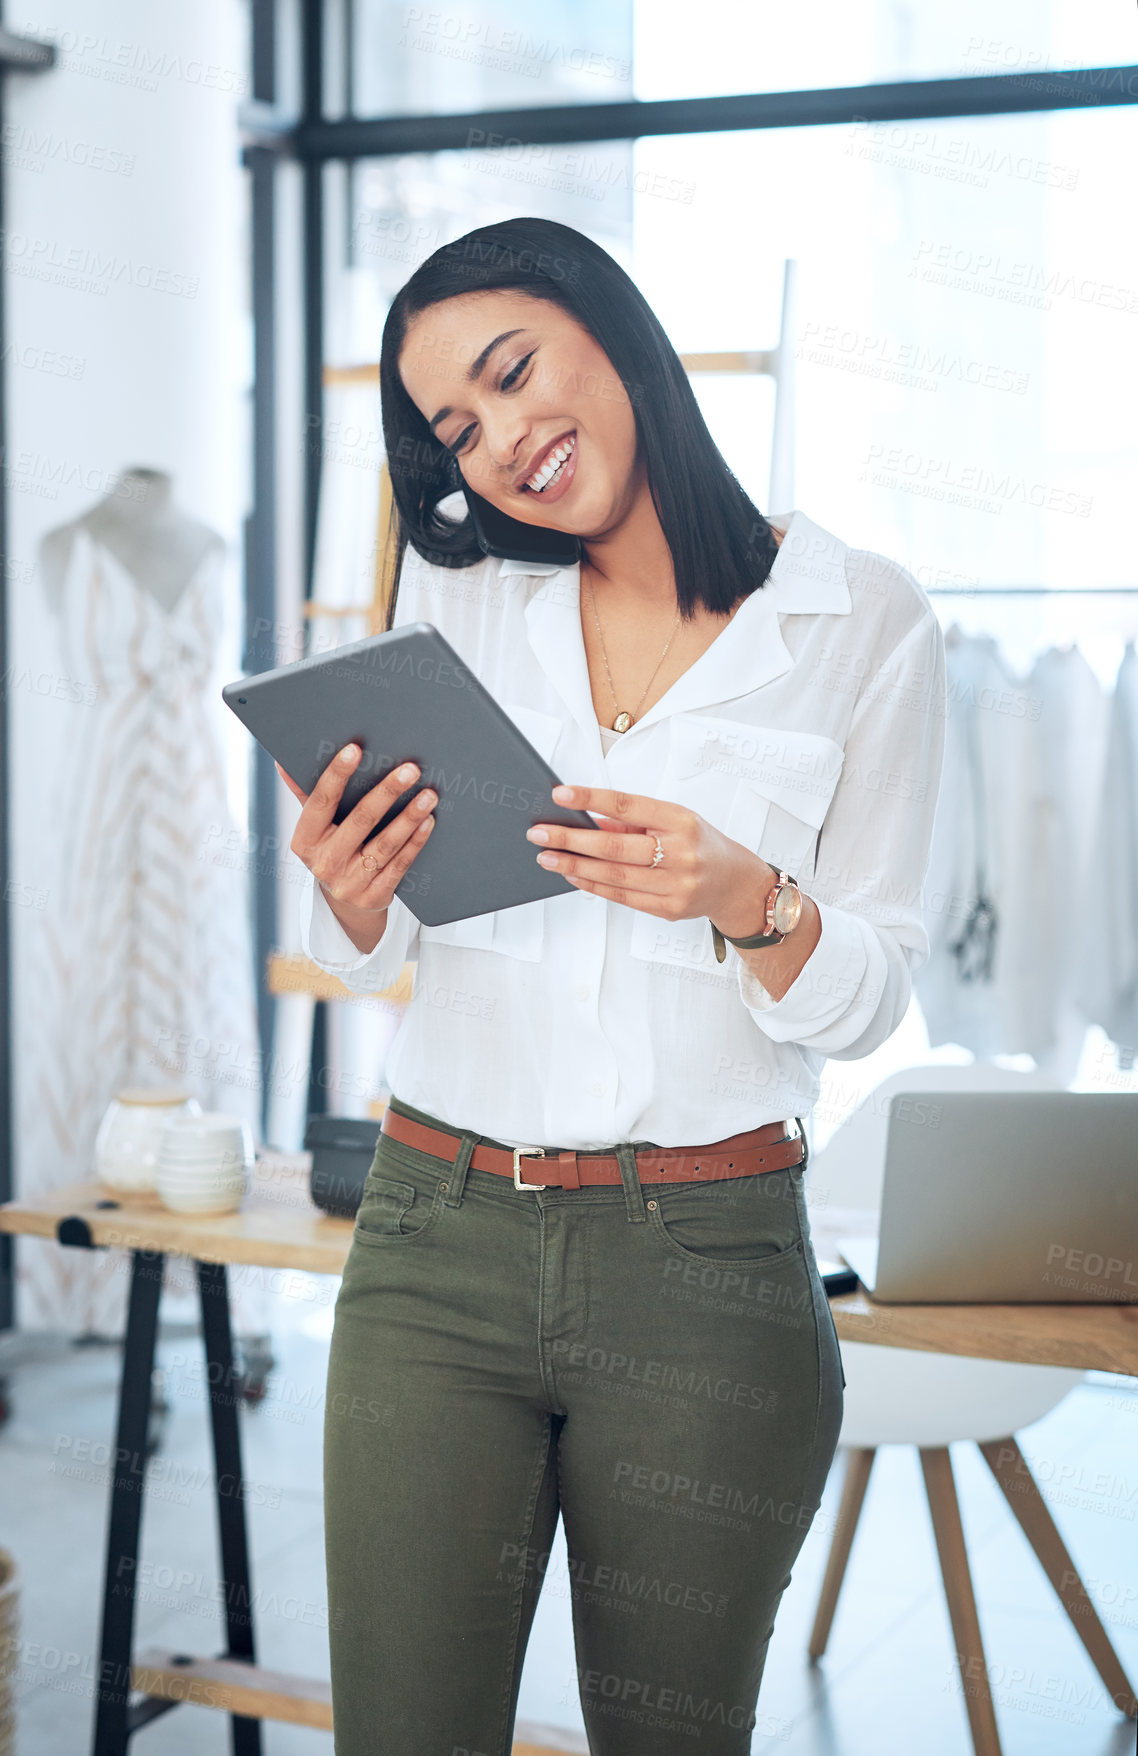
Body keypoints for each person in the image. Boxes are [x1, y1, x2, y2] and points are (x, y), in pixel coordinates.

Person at [279, 217, 946, 1755]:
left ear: (610, 329)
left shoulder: (861, 621)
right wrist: (346, 893)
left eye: (512, 375)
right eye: (457, 429)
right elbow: (370, 947)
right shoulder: (459, 611)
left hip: (705, 1270)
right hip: (433, 1244)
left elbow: (866, 998)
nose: (505, 442)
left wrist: (746, 899)